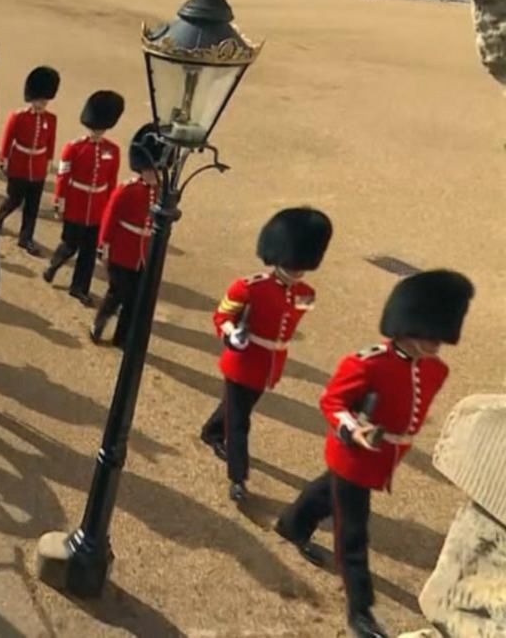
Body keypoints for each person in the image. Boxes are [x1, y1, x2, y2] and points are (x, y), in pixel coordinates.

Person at [274, 270, 473, 638]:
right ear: (408, 326)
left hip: (383, 455)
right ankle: (360, 611)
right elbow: (332, 401)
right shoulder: (366, 362)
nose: (435, 343)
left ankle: (292, 524)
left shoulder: (435, 370)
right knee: (353, 534)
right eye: (429, 335)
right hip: (354, 455)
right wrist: (353, 428)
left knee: (324, 493)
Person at [200, 207, 334, 502]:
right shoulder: (248, 287)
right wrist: (232, 334)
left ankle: (211, 431)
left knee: (238, 408)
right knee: (239, 423)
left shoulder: (306, 293)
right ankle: (238, 478)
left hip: (268, 366)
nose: (299, 269)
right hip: (241, 361)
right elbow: (222, 316)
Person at [42, 90, 124, 305]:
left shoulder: (112, 150)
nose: (98, 132)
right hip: (76, 204)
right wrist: (59, 201)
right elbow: (63, 176)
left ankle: (79, 288)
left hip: (97, 207)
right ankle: (54, 264)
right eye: (96, 128)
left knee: (88, 253)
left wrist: (108, 210)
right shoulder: (74, 147)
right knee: (70, 245)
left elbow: (111, 182)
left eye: (101, 128)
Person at [89, 127, 159, 349]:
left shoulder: (160, 193)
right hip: (121, 252)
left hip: (142, 255)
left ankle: (122, 337)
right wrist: (104, 248)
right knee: (117, 293)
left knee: (134, 300)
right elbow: (110, 220)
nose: (153, 174)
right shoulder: (126, 190)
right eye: (149, 170)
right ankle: (98, 325)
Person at [0, 66, 60, 255]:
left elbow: (50, 141)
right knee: (14, 199)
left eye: (44, 101)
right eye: (39, 100)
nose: (41, 104)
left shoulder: (51, 119)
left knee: (33, 205)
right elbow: (8, 138)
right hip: (19, 164)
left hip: (38, 166)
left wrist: (48, 160)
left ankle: (26, 237)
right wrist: (4, 158)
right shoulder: (19, 117)